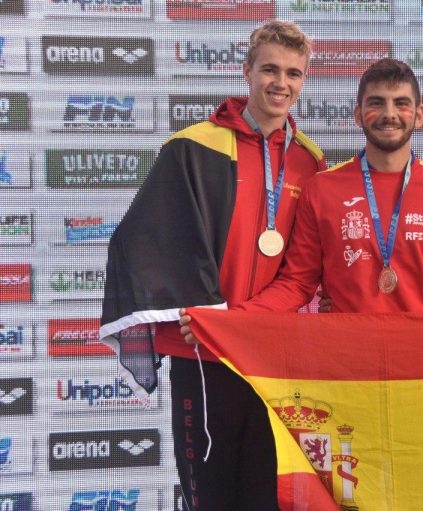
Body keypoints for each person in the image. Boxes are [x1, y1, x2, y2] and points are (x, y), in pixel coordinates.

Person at [99, 21, 326, 511]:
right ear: (246, 72)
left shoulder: (310, 162)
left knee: (269, 493)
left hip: (273, 356)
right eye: (269, 69)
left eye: (293, 73)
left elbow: (307, 267)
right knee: (211, 494)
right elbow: (142, 242)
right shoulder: (192, 146)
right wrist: (201, 312)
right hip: (203, 349)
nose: (280, 83)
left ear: (304, 81)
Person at [180, 57, 423, 334]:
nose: (389, 114)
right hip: (344, 369)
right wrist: (230, 321)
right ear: (357, 116)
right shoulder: (322, 188)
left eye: (401, 103)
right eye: (376, 103)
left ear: (420, 115)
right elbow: (297, 283)